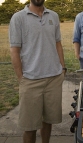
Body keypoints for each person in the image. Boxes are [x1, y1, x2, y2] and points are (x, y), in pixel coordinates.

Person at [9, 0, 66, 143]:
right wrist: (21, 78)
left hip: (54, 78)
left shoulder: (54, 16)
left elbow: (57, 43)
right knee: (29, 127)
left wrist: (63, 68)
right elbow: (14, 50)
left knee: (48, 121)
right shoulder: (18, 18)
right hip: (30, 80)